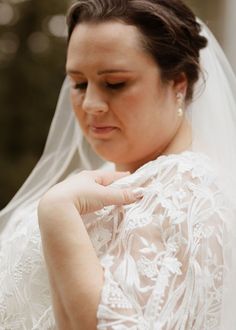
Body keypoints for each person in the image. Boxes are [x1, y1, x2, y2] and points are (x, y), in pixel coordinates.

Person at [1, 0, 236, 329]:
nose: (91, 104)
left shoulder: (191, 194)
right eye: (79, 84)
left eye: (115, 83)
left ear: (178, 84)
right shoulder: (97, 181)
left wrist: (57, 215)